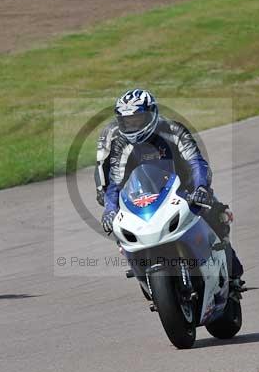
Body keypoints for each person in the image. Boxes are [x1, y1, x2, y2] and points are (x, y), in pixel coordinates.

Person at [100, 89, 245, 290]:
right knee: (122, 232)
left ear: (151, 114)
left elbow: (196, 162)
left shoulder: (174, 130)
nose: (132, 126)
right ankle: (145, 276)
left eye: (137, 119)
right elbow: (114, 183)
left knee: (215, 214)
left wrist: (201, 187)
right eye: (127, 122)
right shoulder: (121, 144)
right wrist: (109, 209)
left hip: (186, 188)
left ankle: (232, 274)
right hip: (145, 195)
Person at [94, 118, 119, 206]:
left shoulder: (161, 125)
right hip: (122, 182)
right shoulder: (110, 129)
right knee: (110, 214)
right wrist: (100, 189)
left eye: (138, 116)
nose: (132, 121)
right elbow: (100, 161)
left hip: (156, 177)